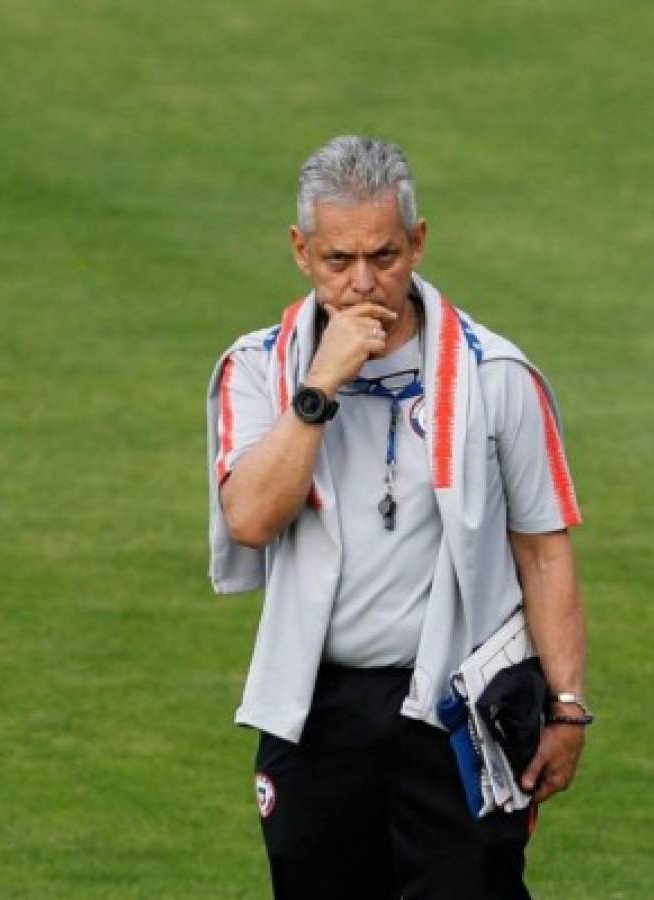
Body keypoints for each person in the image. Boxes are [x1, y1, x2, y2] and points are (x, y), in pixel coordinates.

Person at [205, 135, 590, 899]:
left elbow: (544, 551)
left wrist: (569, 708)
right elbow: (249, 517)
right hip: (315, 712)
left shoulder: (497, 375)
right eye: (337, 260)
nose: (361, 284)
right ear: (300, 252)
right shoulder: (255, 369)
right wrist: (320, 386)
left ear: (416, 243)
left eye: (382, 256)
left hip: (456, 715)